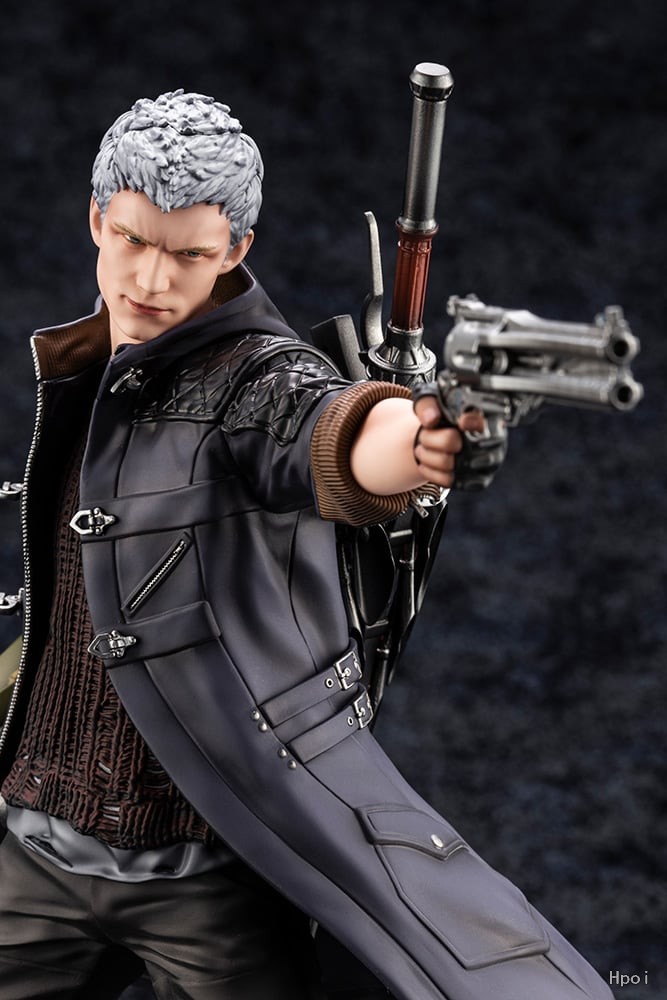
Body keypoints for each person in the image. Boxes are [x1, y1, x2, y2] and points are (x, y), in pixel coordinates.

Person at [0, 90, 612, 1000]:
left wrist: (423, 438)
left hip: (208, 877)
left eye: (188, 254)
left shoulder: (259, 376)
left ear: (234, 250)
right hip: (33, 849)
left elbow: (331, 426)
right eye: (131, 240)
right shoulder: (94, 364)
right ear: (97, 221)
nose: (151, 279)